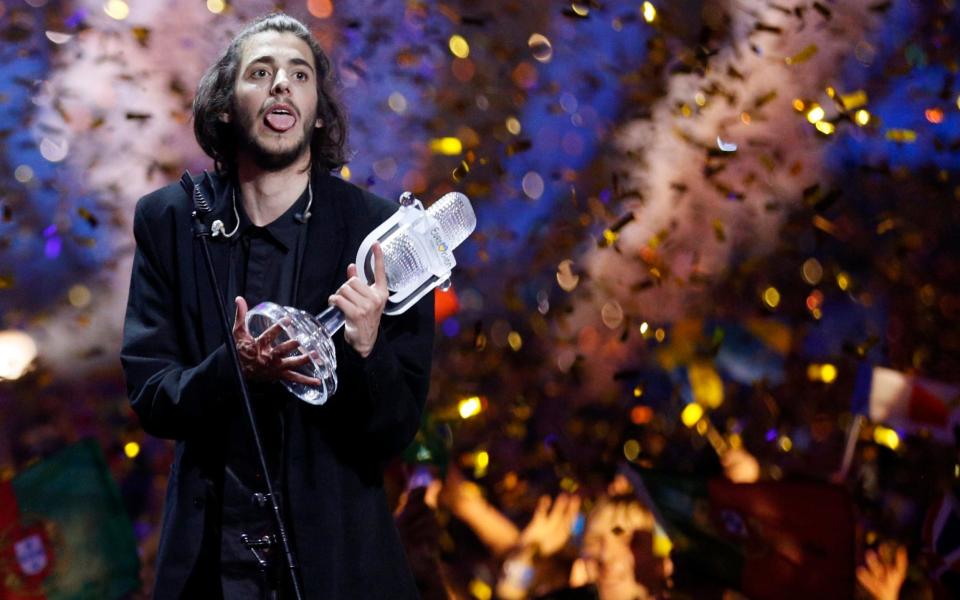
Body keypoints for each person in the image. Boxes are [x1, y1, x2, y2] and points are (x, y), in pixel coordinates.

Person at [121, 12, 434, 599]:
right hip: (210, 570)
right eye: (260, 73)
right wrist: (229, 370)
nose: (281, 84)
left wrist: (366, 348)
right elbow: (152, 395)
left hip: (339, 566)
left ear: (318, 114)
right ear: (223, 108)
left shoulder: (382, 233)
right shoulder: (169, 221)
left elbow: (394, 429)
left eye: (299, 74)